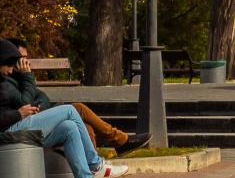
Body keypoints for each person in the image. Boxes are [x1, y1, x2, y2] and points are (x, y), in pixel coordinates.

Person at [0, 40, 126, 178]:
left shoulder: (7, 80)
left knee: (69, 127)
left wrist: (26, 105)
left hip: (15, 125)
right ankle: (96, 166)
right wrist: (19, 113)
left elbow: (37, 97)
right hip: (9, 130)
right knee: (70, 110)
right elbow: (20, 103)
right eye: (10, 65)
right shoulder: (7, 82)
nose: (11, 70)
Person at [4, 42, 145, 152]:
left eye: (26, 58)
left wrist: (38, 107)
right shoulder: (10, 80)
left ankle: (96, 167)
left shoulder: (20, 77)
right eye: (21, 58)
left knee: (85, 124)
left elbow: (42, 97)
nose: (25, 62)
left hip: (39, 115)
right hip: (25, 125)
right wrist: (27, 77)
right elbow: (25, 101)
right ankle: (119, 141)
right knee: (77, 109)